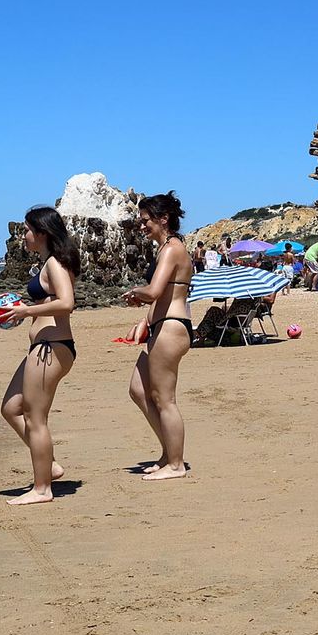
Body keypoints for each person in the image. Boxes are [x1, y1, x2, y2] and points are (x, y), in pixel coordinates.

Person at [0, 207, 79, 505]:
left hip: (51, 349)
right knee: (11, 407)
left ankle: (42, 488)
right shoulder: (49, 263)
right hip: (43, 348)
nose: (24, 236)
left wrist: (26, 310)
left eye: (27, 230)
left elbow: (67, 303)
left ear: (41, 232)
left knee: (35, 418)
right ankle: (49, 465)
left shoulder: (55, 263)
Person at [123, 192, 194, 481]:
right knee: (139, 390)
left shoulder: (172, 249)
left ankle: (176, 464)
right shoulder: (164, 248)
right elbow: (160, 296)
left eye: (145, 220)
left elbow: (153, 291)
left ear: (163, 219)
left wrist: (133, 292)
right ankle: (168, 454)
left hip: (172, 327)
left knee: (165, 399)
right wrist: (144, 318)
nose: (141, 226)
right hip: (161, 324)